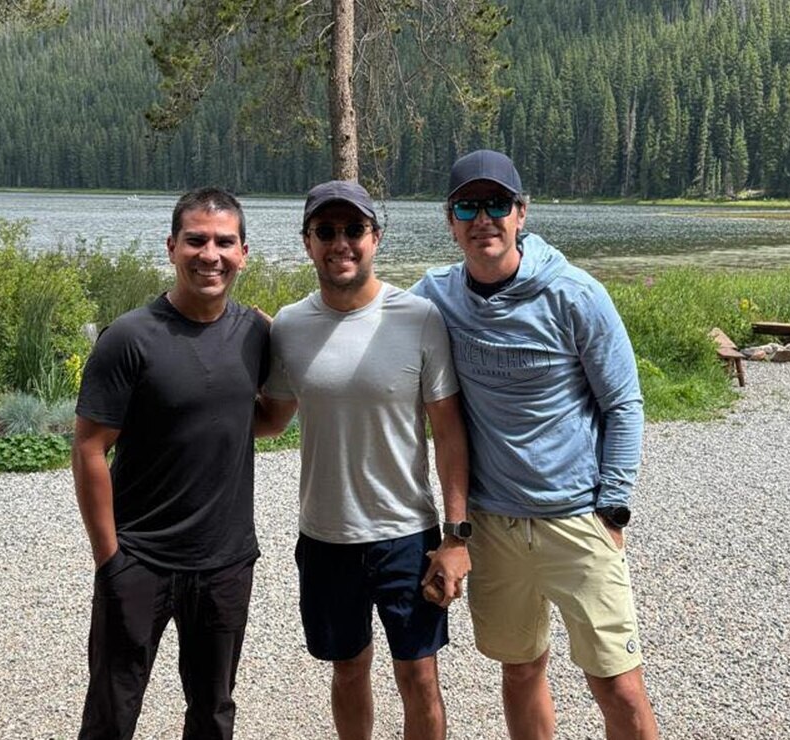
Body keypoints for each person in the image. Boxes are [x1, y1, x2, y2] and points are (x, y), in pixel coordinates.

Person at [412, 150, 659, 739]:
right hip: (493, 525)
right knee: (521, 669)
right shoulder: (435, 297)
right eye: (468, 206)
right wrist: (282, 333)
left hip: (576, 518)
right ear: (450, 221)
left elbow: (623, 403)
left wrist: (614, 507)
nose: (483, 219)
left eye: (496, 204)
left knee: (617, 683)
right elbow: (369, 317)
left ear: (521, 214)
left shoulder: (576, 295)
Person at [256, 180, 471, 740]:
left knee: (419, 675)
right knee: (348, 670)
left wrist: (456, 538)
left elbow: (448, 434)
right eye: (325, 231)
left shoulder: (418, 317)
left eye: (353, 230)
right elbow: (271, 419)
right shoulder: (289, 326)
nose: (340, 243)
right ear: (307, 242)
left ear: (376, 237)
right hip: (325, 535)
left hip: (406, 533)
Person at [71, 187, 269, 740]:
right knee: (112, 710)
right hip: (140, 559)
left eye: (225, 242)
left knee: (212, 711)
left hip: (226, 561)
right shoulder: (131, 337)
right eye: (196, 240)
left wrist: (294, 375)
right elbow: (89, 447)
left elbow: (265, 419)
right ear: (172, 247)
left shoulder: (256, 332)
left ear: (244, 252)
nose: (211, 254)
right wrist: (110, 557)